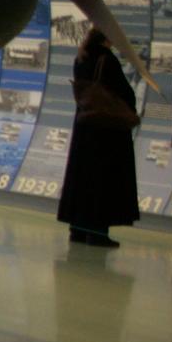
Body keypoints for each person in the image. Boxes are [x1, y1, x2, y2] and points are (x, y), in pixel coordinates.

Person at [56, 27, 138, 248]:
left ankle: (78, 229)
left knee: (82, 177)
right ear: (108, 38)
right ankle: (97, 231)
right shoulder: (106, 59)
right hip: (105, 129)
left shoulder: (81, 58)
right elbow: (122, 92)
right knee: (102, 179)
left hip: (84, 125)